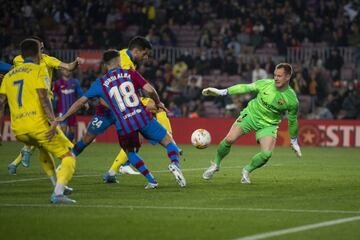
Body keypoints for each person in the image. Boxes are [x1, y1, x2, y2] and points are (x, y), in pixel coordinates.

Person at [57, 50, 186, 189]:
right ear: (119, 61)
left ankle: (152, 180)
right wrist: (158, 102)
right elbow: (149, 89)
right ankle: (174, 163)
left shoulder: (100, 83)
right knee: (168, 141)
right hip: (141, 117)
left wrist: (64, 116)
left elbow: (80, 102)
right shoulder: (130, 73)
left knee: (130, 152)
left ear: (105, 65)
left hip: (124, 123)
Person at [0, 39, 76, 203]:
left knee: (43, 150)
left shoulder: (9, 75)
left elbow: (0, 102)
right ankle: (58, 193)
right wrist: (53, 120)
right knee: (69, 156)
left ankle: (56, 183)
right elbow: (43, 97)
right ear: (38, 53)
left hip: (19, 130)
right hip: (37, 124)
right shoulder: (38, 69)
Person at [202, 63, 302, 184]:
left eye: (279, 76)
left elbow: (292, 121)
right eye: (275, 75)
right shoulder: (265, 84)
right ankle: (216, 164)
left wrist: (294, 141)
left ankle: (246, 170)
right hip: (250, 115)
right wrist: (223, 92)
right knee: (229, 139)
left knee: (266, 155)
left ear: (288, 77)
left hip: (268, 124)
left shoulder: (292, 100)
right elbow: (245, 87)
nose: (276, 78)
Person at [8, 36, 84, 174]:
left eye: (43, 48)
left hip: (44, 102)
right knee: (47, 133)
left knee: (41, 136)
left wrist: (75, 62)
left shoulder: (47, 59)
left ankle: (17, 160)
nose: (41, 51)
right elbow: (15, 74)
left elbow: (68, 66)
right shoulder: (18, 60)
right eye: (39, 48)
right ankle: (65, 167)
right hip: (33, 101)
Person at [53, 68, 88, 142]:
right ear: (61, 71)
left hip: (72, 110)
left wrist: (85, 102)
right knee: (63, 129)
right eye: (65, 70)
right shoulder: (57, 83)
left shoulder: (75, 82)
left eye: (68, 70)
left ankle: (69, 144)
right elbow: (53, 95)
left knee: (72, 131)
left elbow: (80, 93)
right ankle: (64, 147)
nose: (67, 71)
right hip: (62, 110)